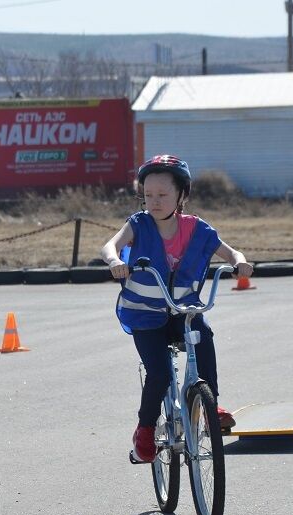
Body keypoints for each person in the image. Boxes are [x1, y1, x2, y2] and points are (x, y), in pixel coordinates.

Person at [101, 154, 254, 464]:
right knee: (158, 374)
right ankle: (145, 429)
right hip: (145, 317)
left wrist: (239, 261)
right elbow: (110, 245)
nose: (154, 201)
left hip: (182, 312)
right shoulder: (138, 224)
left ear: (182, 195)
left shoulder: (196, 229)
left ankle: (209, 402)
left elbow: (229, 250)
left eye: (162, 194)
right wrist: (115, 261)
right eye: (148, 195)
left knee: (204, 334)